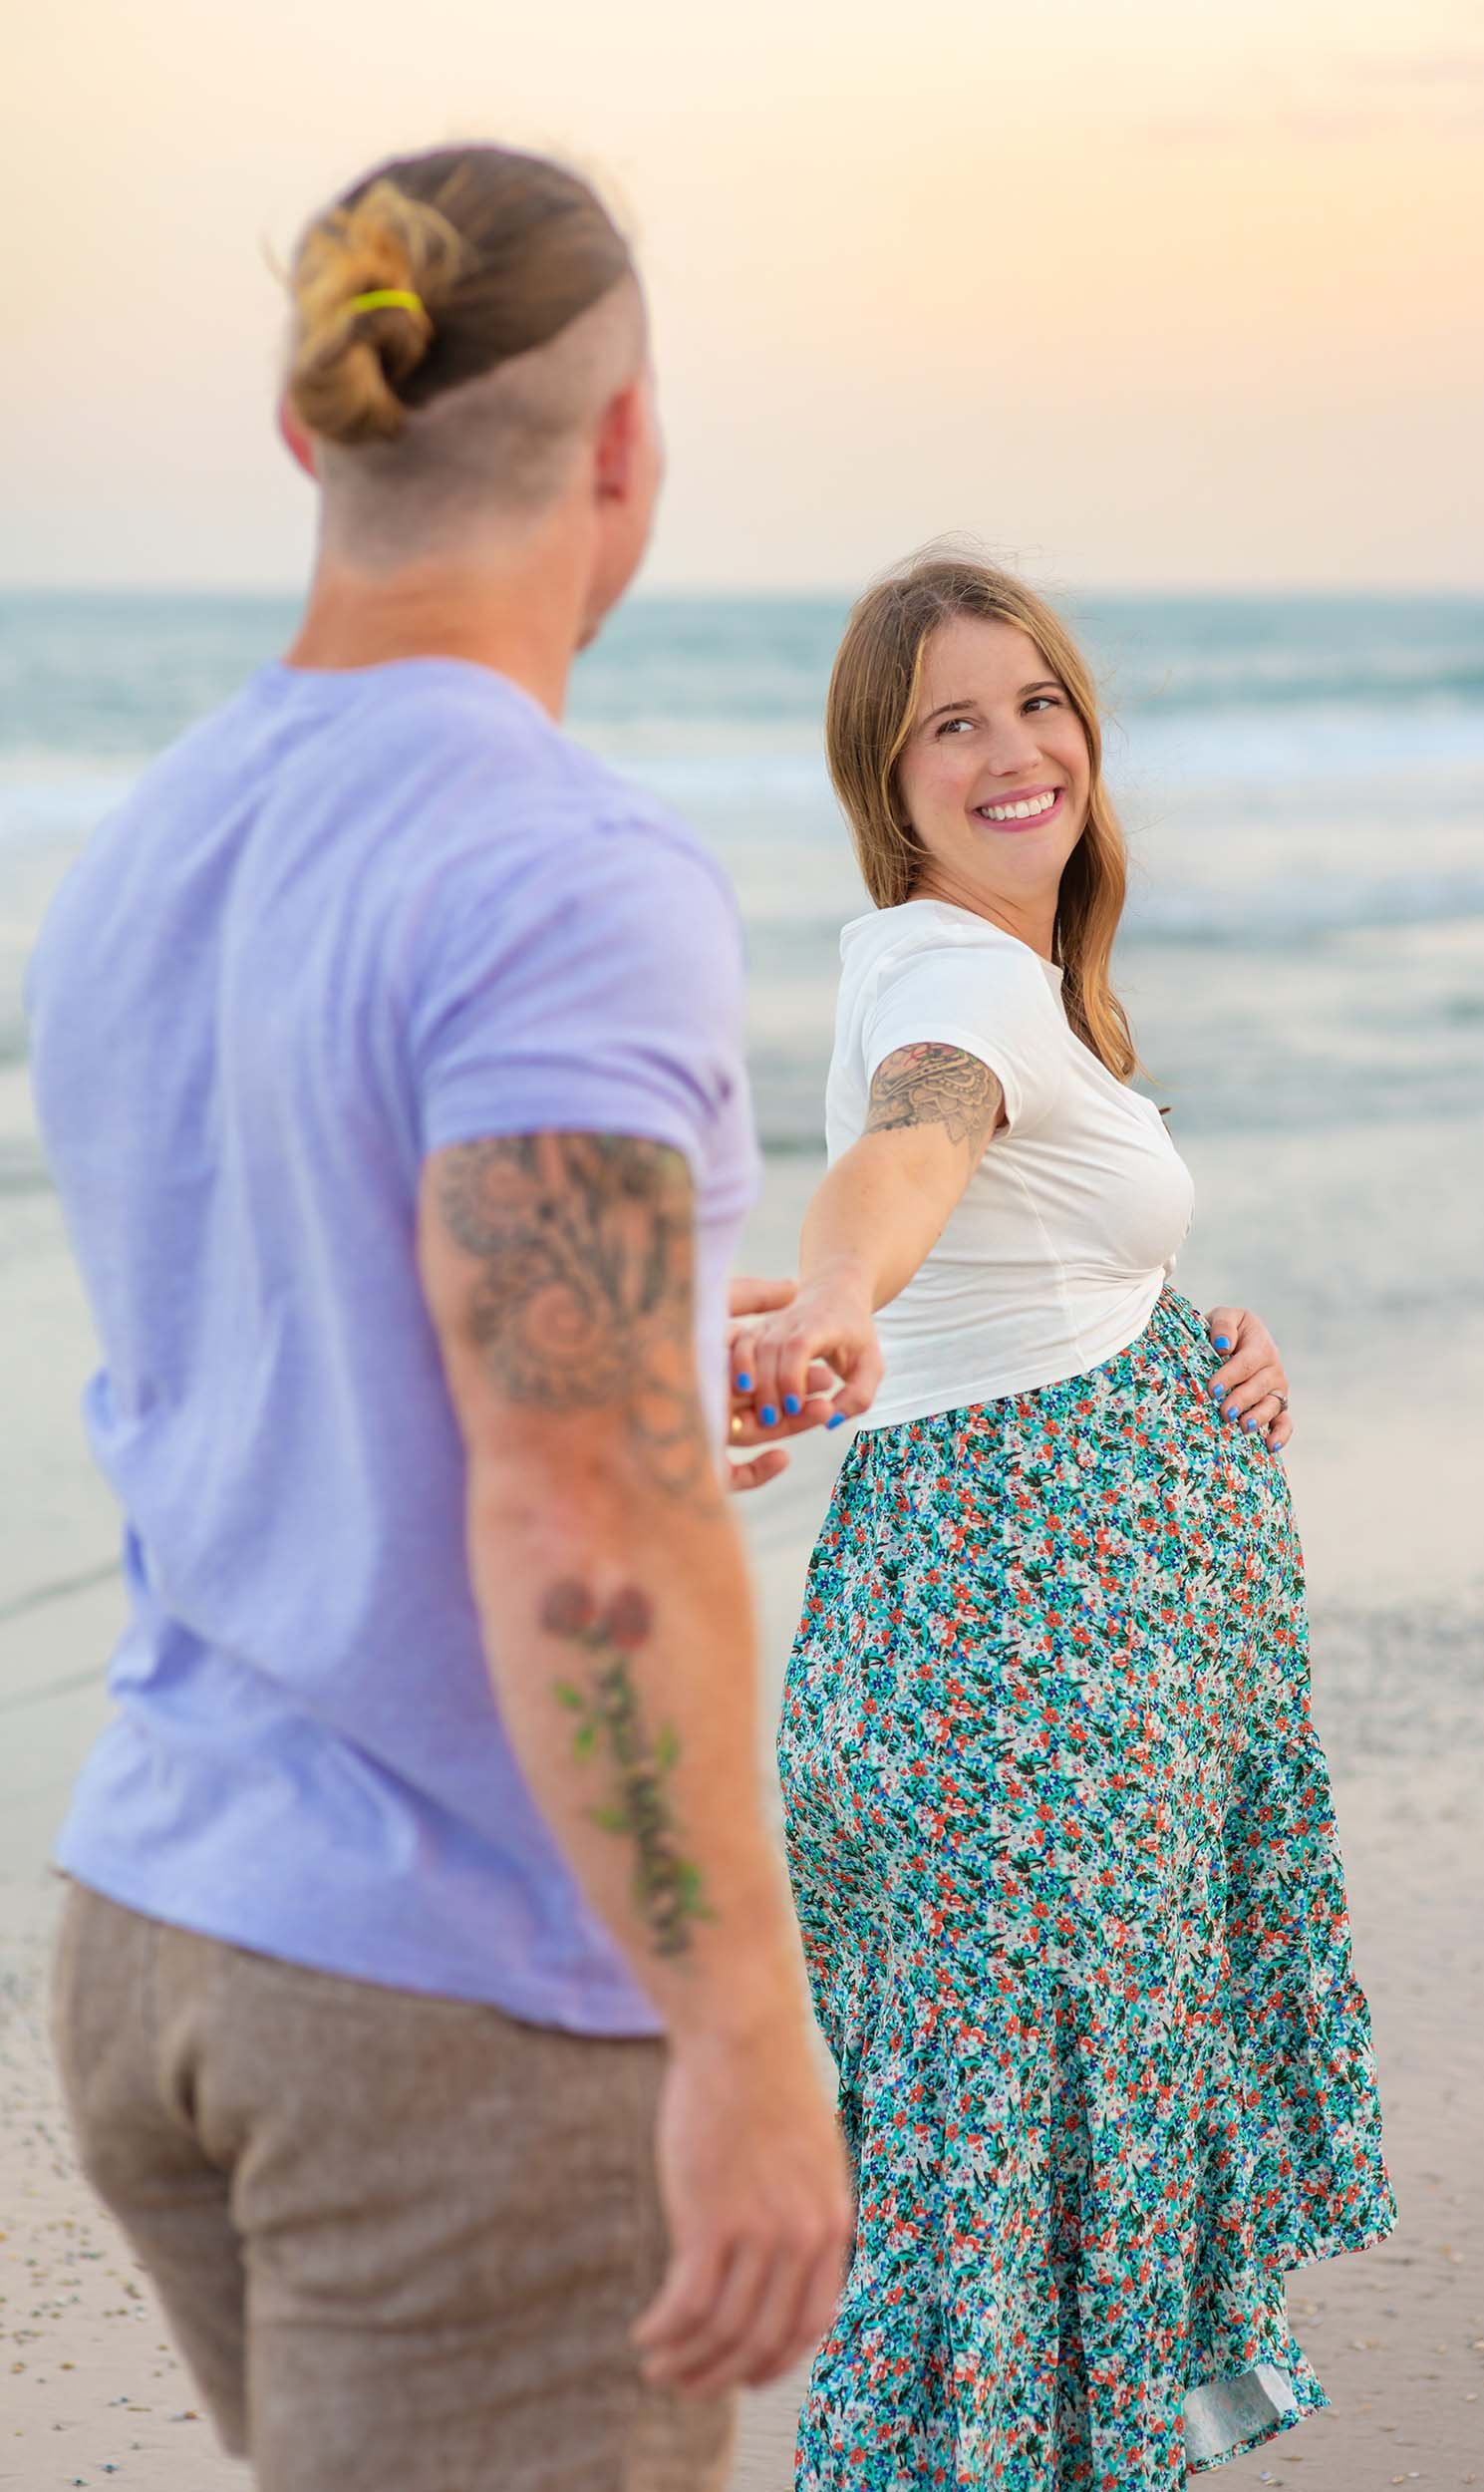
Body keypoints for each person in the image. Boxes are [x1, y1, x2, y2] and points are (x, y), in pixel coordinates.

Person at [28, 144, 849, 2492]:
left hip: (160, 1921)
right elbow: (576, 1500)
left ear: (317, 428)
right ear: (625, 449)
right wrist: (738, 2025)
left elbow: (317, 1350)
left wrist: (680, 1364)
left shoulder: (142, 854)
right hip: (459, 1992)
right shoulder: (560, 873)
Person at [734, 551, 1396, 2488]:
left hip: (1078, 1695)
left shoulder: (1023, 976)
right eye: (952, 719)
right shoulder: (947, 984)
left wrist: (1198, 1331)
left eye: (1038, 701)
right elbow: (915, 1144)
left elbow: (1036, 1260)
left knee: (1032, 2178)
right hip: (1023, 1696)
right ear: (890, 773)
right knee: (994, 2202)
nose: (1015, 748)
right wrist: (839, 1292)